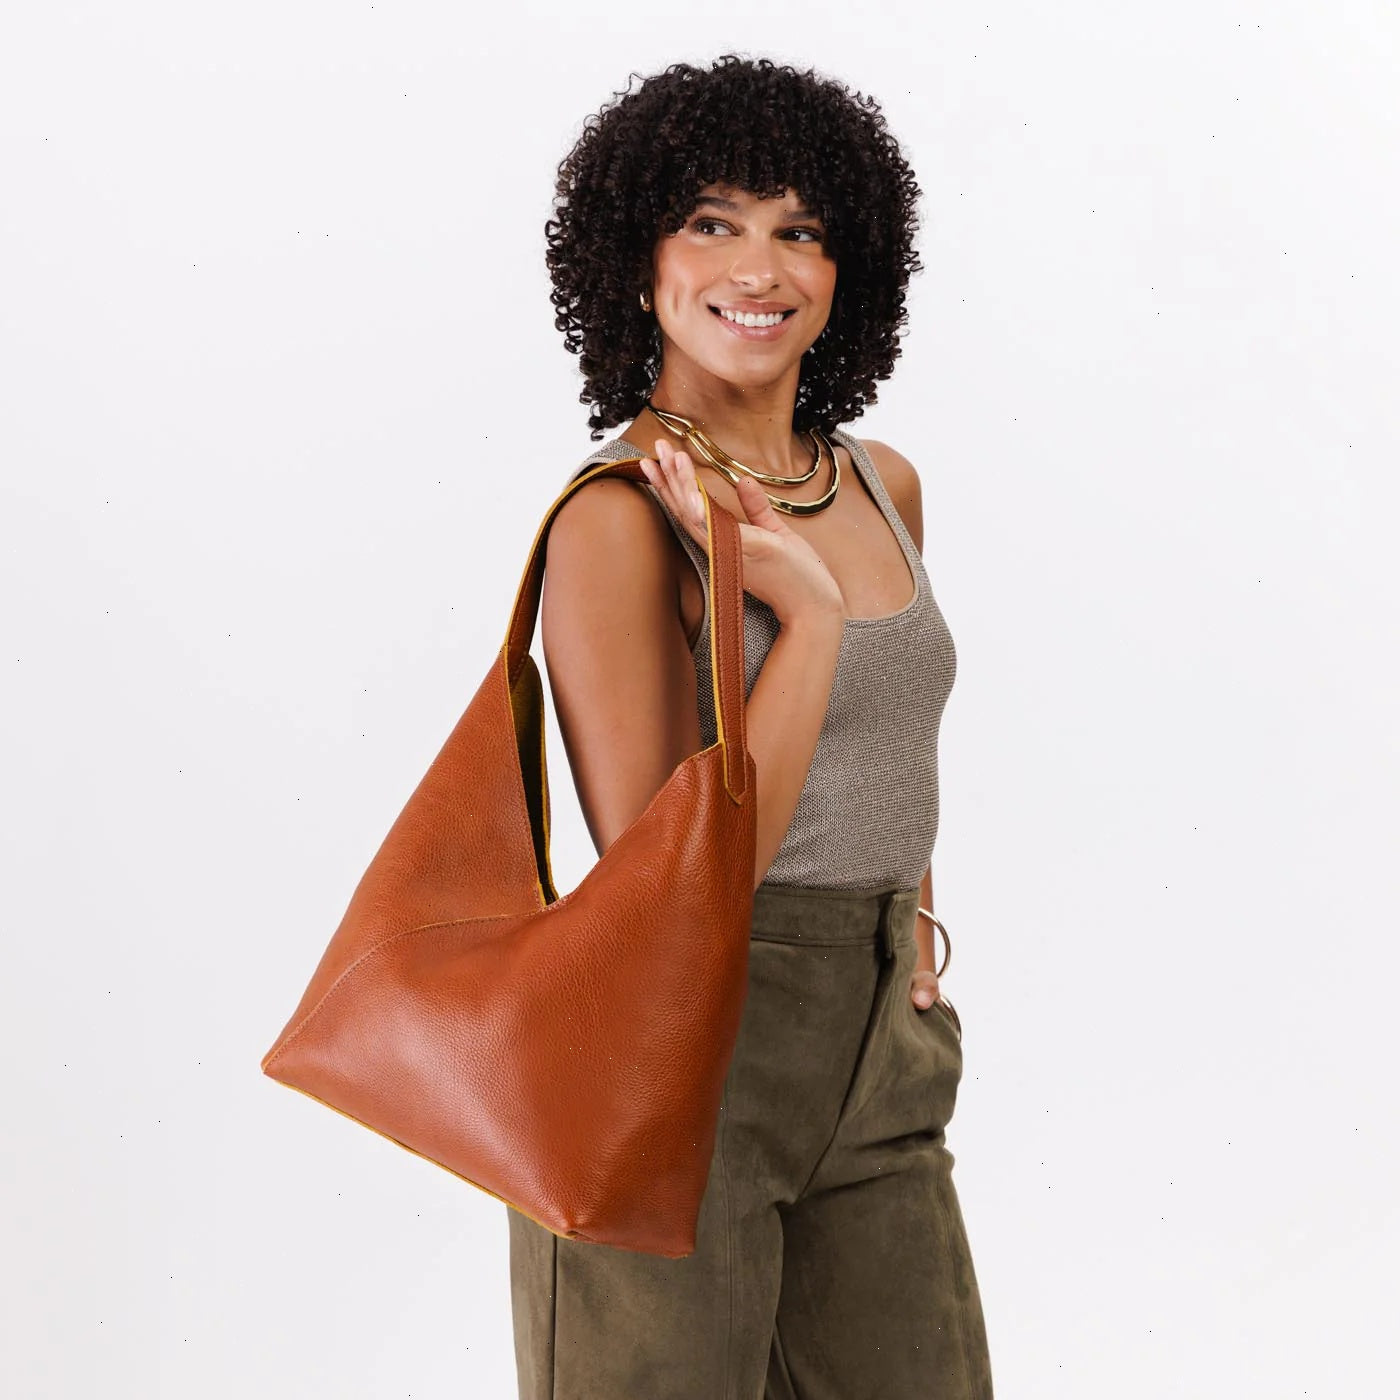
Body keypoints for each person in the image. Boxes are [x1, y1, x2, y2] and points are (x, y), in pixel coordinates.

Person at [507, 54, 994, 1399]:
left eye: (802, 229)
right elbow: (676, 885)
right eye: (712, 222)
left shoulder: (879, 484)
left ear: (849, 270)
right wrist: (808, 620)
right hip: (684, 1059)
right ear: (637, 258)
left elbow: (894, 734)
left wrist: (912, 927)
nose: (759, 267)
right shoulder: (617, 521)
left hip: (880, 1047)